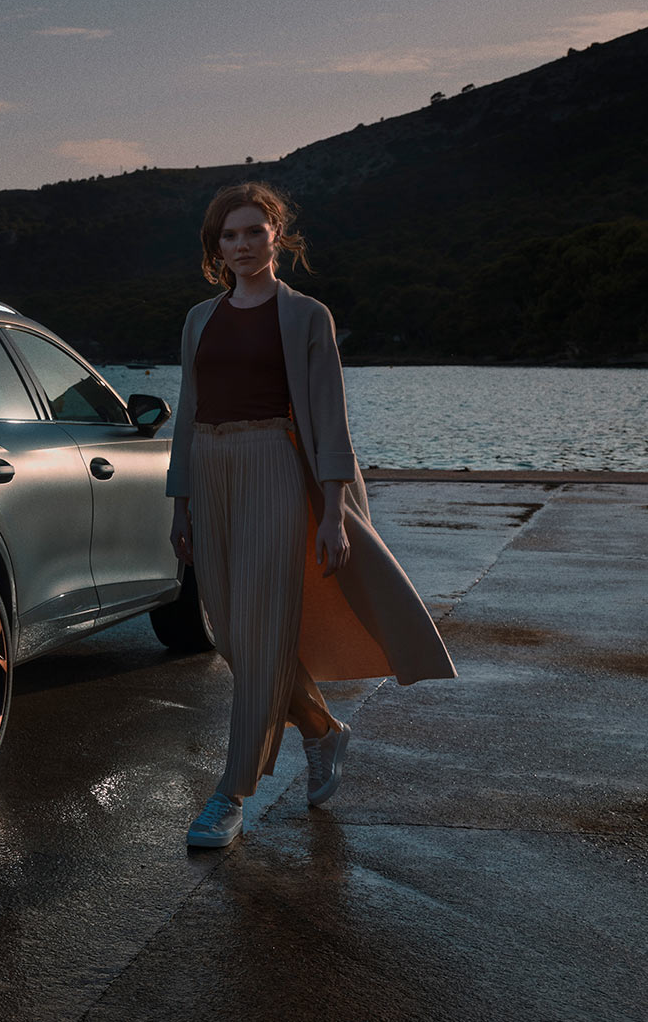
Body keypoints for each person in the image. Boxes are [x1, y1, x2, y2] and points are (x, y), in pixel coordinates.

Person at [166, 182, 456, 848]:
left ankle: (231, 792)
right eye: (228, 236)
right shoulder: (198, 320)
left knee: (263, 631)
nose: (241, 245)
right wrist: (179, 502)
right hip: (209, 473)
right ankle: (323, 731)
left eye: (253, 231)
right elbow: (186, 415)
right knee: (233, 637)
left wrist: (331, 512)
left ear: (277, 235)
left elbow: (329, 419)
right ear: (216, 248)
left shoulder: (307, 317)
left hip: (272, 461)